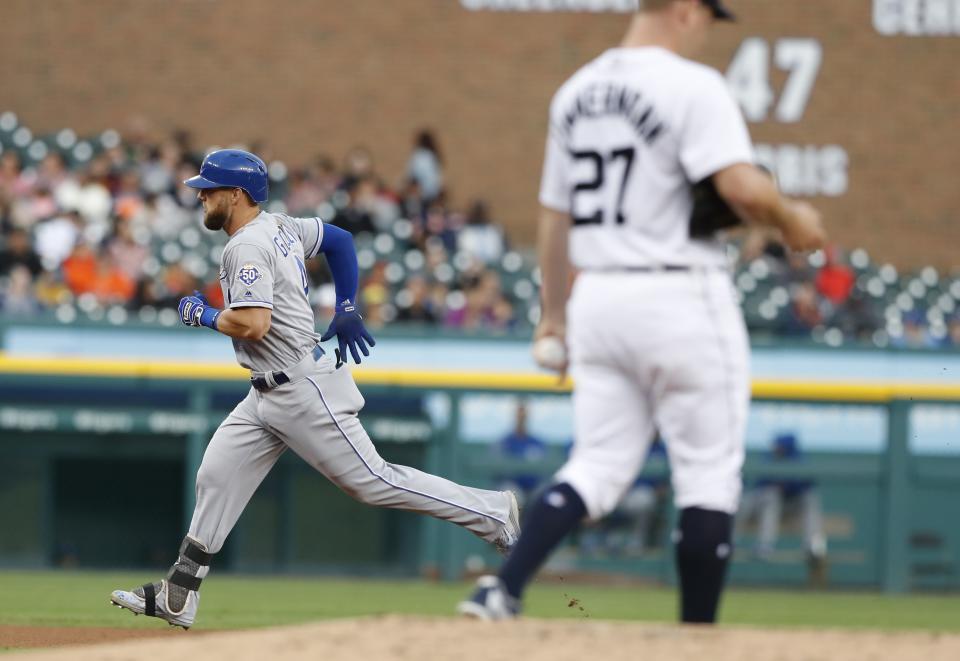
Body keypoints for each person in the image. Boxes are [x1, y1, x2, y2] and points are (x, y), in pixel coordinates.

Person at [459, 0, 826, 624]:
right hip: (680, 290)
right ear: (685, 10)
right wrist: (794, 218)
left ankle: (501, 590)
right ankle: (697, 636)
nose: (708, 30)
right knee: (708, 473)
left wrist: (554, 314)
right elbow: (739, 187)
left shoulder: (575, 92)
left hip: (599, 294)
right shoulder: (693, 86)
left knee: (597, 464)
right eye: (708, 18)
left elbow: (555, 216)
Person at [110, 149, 519, 629]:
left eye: (210, 188)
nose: (201, 196)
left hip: (301, 389)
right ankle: (179, 592)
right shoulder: (280, 226)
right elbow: (340, 241)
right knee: (217, 476)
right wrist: (346, 305)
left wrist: (200, 314)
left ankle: (495, 513)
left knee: (376, 482)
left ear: (237, 195)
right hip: (266, 393)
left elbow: (254, 324)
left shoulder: (245, 244)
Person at [737, 433, 828, 584]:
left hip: (792, 508)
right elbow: (759, 484)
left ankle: (813, 545)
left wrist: (787, 484)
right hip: (765, 509)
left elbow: (808, 485)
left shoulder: (798, 459)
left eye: (779, 446)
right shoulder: (769, 458)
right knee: (771, 496)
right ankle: (765, 545)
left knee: (810, 498)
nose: (776, 448)